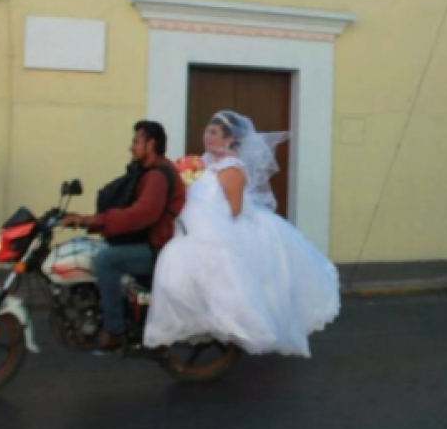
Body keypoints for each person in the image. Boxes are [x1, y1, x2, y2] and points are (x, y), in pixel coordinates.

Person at [144, 111, 340, 357]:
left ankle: (237, 325)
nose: (207, 136)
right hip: (195, 225)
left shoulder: (231, 167)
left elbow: (234, 208)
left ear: (229, 139)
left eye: (214, 133)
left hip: (225, 226)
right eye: (207, 131)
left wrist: (207, 223)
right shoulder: (204, 162)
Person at [61, 121, 186, 351]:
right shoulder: (147, 172)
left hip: (157, 249)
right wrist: (89, 221)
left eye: (136, 141)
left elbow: (142, 214)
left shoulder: (158, 175)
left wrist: (93, 220)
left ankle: (114, 330)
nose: (131, 147)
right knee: (95, 250)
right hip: (149, 242)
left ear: (151, 144)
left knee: (106, 260)